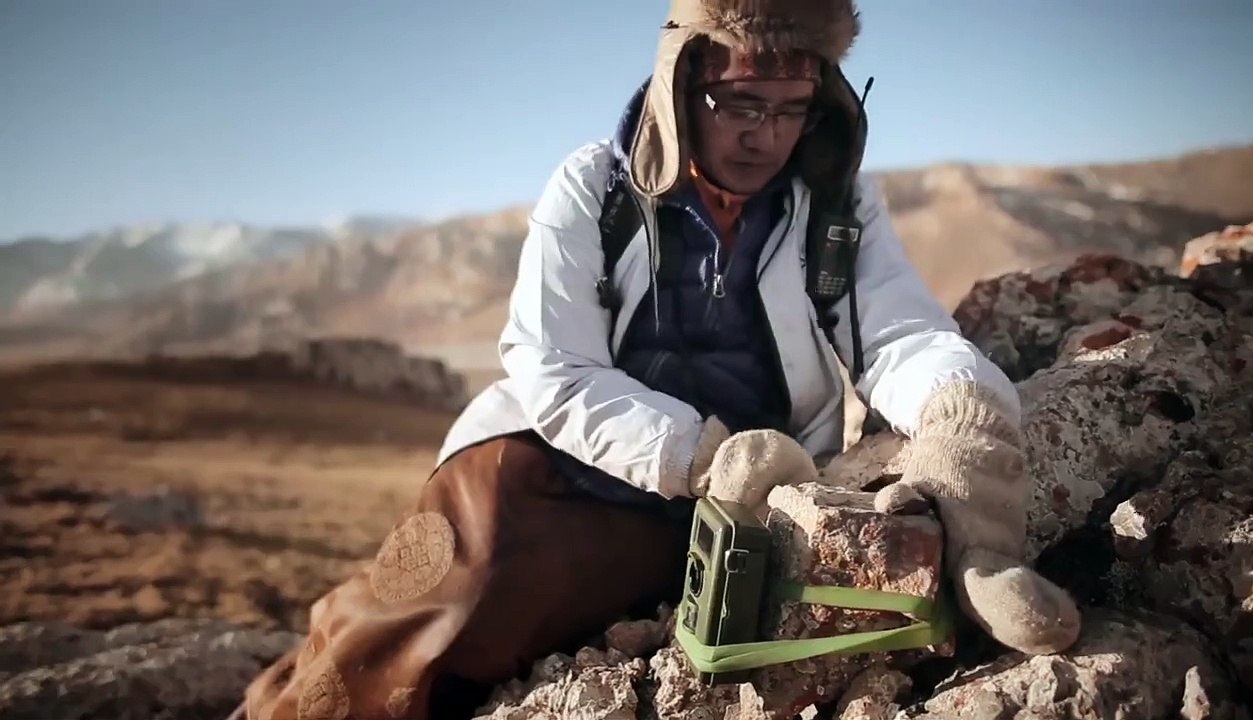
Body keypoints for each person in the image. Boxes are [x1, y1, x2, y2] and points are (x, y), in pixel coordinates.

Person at [235, 1, 1081, 718]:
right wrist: (706, 455)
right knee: (442, 613)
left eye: (791, 111)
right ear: (685, 83)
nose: (767, 138)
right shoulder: (591, 186)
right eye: (742, 105)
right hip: (553, 469)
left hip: (746, 494)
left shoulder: (835, 199)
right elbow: (551, 366)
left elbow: (896, 333)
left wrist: (962, 411)